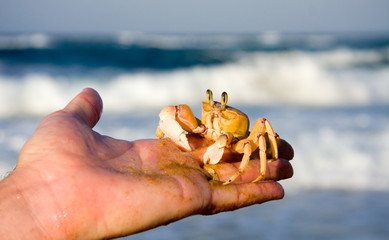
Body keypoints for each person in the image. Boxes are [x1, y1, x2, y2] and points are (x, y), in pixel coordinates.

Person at [0, 88, 293, 239]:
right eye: (211, 106)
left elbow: (263, 132)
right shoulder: (207, 115)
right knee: (173, 111)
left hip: (238, 144)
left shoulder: (246, 132)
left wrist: (248, 165)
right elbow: (169, 115)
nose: (213, 114)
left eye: (219, 107)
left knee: (266, 132)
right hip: (210, 143)